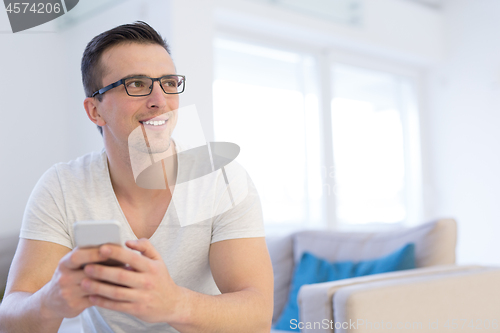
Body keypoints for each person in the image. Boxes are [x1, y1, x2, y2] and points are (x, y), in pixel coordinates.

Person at [0, 22, 273, 333]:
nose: (160, 100)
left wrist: (174, 304)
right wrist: (49, 300)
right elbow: (10, 317)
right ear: (95, 111)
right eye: (137, 84)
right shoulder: (63, 186)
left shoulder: (221, 180)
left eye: (169, 83)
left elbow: (258, 316)